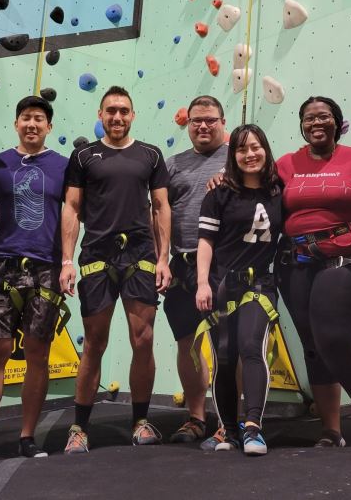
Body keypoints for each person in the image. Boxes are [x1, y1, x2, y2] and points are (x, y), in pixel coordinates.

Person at [59, 86, 172, 453]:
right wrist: (65, 260)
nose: (117, 117)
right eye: (111, 111)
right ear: (101, 114)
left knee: (144, 339)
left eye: (124, 110)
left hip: (140, 256)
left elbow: (161, 208)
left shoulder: (151, 155)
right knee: (95, 343)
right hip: (96, 256)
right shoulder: (83, 156)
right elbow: (72, 208)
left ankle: (140, 420)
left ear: (133, 115)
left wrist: (163, 259)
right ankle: (79, 427)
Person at [275, 96, 351, 448]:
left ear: (337, 123)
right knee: (312, 346)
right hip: (294, 261)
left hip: (345, 256)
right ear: (301, 125)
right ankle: (331, 430)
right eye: (309, 118)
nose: (316, 123)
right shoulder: (286, 164)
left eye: (324, 117)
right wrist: (223, 178)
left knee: (334, 340)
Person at [0, 96, 69, 462]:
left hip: (46, 268)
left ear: (49, 127)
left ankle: (28, 437)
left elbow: (75, 213)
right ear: (16, 124)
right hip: (3, 267)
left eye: (39, 119)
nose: (32, 124)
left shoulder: (63, 167)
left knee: (38, 354)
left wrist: (67, 264)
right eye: (26, 118)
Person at [195, 124, 283, 456]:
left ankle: (253, 429)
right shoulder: (218, 193)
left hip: (260, 286)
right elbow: (205, 242)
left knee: (251, 347)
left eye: (256, 147)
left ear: (265, 149)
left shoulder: (278, 190)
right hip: (220, 288)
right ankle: (228, 431)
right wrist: (203, 283)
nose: (250, 154)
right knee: (225, 358)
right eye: (242, 149)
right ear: (233, 156)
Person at [163, 95, 228, 444]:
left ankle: (229, 420)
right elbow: (158, 214)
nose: (203, 125)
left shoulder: (241, 158)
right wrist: (162, 259)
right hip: (182, 267)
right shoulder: (172, 164)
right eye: (196, 120)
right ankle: (196, 418)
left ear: (222, 122)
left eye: (210, 119)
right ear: (188, 124)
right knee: (188, 344)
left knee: (227, 344)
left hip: (223, 267)